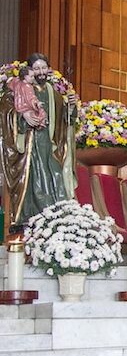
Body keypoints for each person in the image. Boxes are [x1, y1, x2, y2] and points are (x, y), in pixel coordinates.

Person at [0, 53, 78, 229]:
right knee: (34, 179)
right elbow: (6, 109)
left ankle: (58, 215)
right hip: (29, 143)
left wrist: (71, 107)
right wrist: (24, 115)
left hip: (49, 144)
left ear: (48, 69)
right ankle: (34, 216)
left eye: (43, 68)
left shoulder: (54, 94)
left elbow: (66, 121)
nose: (40, 72)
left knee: (56, 176)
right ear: (30, 71)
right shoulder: (21, 88)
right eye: (36, 69)